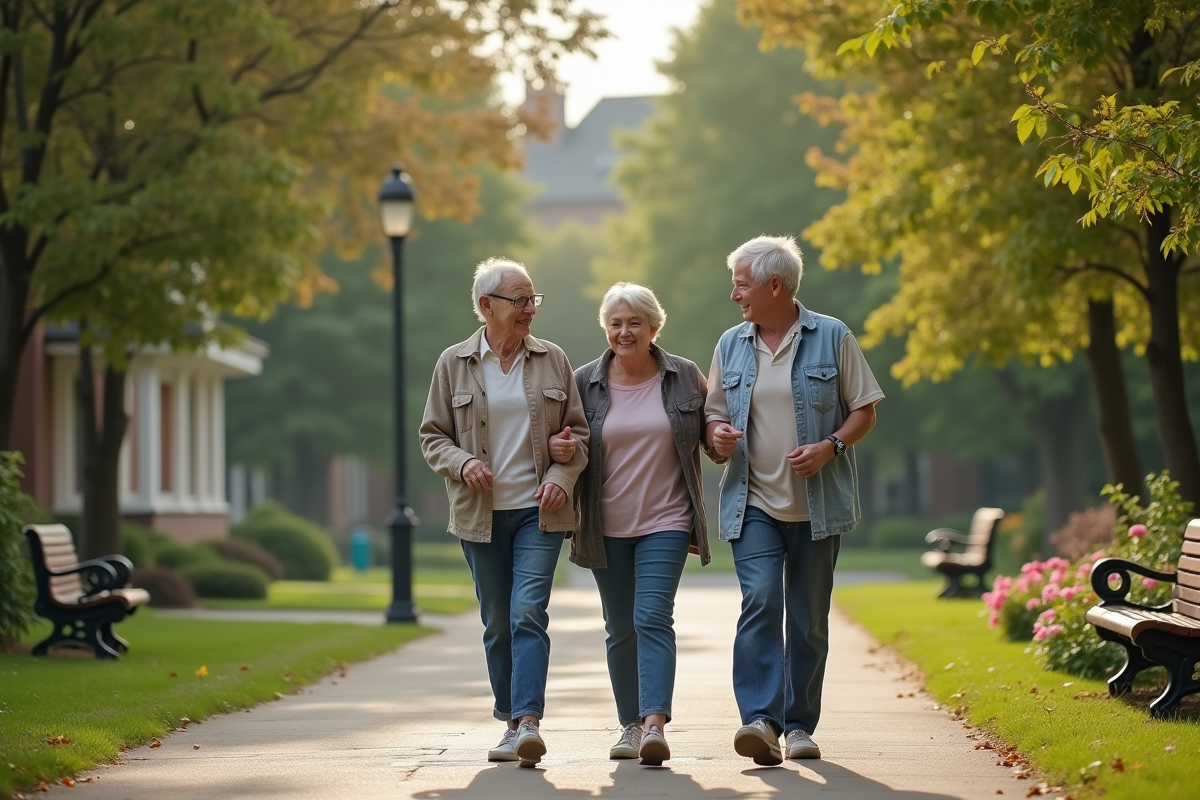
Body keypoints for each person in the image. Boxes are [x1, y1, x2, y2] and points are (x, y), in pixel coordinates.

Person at [704, 235, 883, 765]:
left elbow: (865, 409)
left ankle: (800, 726)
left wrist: (831, 447)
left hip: (818, 504)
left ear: (774, 285)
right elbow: (713, 415)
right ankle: (760, 720)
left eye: (741, 284)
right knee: (760, 601)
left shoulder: (833, 337)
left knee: (807, 619)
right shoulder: (730, 344)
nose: (734, 295)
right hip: (753, 500)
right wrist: (717, 435)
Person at [419, 257, 588, 768]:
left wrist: (560, 478)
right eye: (520, 300)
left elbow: (577, 436)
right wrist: (464, 460)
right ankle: (510, 722)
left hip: (540, 513)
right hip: (481, 516)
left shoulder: (553, 359)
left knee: (527, 612)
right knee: (497, 621)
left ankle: (529, 722)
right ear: (486, 306)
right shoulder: (453, 363)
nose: (530, 309)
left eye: (533, 299)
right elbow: (432, 437)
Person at [569, 282, 712, 767]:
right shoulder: (583, 381)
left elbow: (711, 435)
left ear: (654, 327)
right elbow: (561, 442)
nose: (623, 332)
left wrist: (722, 437)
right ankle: (628, 725)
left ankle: (654, 724)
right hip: (605, 523)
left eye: (634, 323)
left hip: (666, 520)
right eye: (615, 323)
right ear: (605, 328)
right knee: (619, 627)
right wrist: (559, 452)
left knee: (652, 616)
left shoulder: (686, 378)